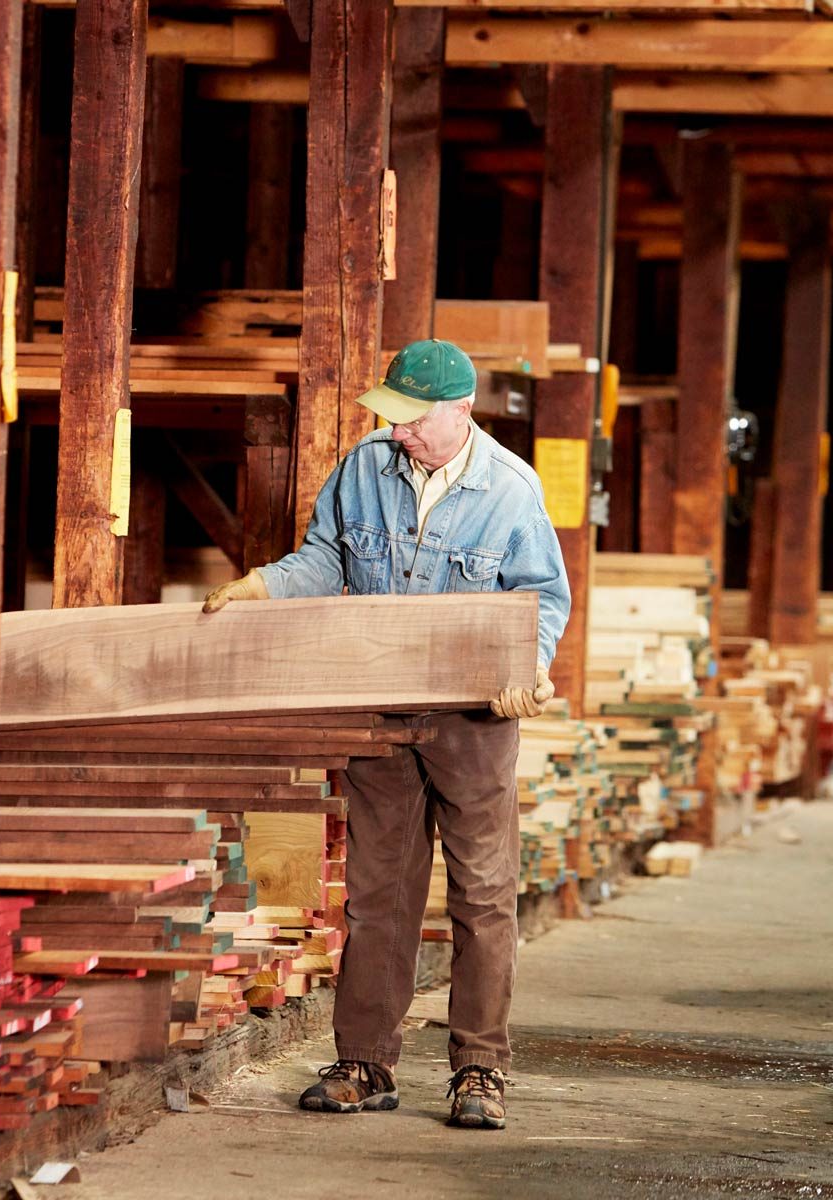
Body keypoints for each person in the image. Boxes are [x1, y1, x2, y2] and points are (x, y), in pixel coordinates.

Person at [203, 339, 570, 1130]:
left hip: (474, 722)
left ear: (460, 410)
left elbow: (542, 600)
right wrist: (263, 586)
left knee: (482, 897)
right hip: (381, 713)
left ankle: (479, 1069)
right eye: (392, 417)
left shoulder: (511, 491)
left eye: (411, 420)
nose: (397, 433)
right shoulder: (364, 465)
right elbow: (323, 560)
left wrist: (527, 671)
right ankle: (365, 1060)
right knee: (377, 898)